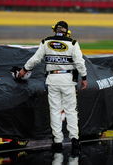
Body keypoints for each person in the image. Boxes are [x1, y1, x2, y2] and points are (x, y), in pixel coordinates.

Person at [17, 21, 88, 153]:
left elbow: (35, 59)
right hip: (68, 80)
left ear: (55, 30)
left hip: (52, 79)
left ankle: (57, 142)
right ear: (67, 31)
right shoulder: (72, 43)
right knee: (71, 111)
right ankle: (75, 141)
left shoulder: (46, 42)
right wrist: (84, 77)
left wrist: (24, 70)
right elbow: (79, 62)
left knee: (55, 111)